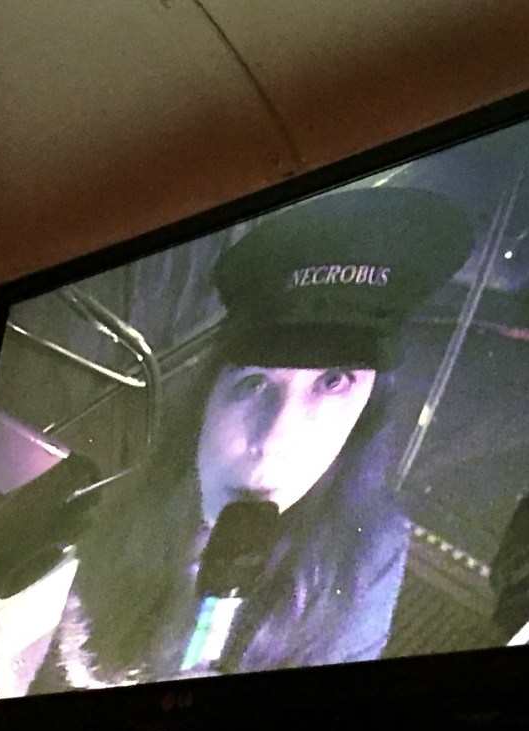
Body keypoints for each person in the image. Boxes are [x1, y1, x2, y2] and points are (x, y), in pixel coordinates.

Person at [29, 185, 476, 692]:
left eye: (333, 383)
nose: (275, 439)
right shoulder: (134, 499)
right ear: (204, 401)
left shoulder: (369, 550)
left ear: (365, 417)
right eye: (254, 383)